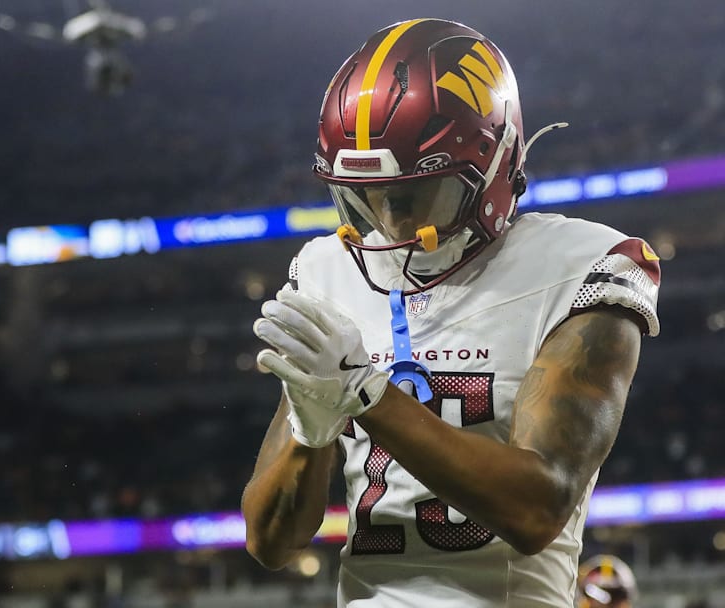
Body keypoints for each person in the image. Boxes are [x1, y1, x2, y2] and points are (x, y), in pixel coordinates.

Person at [240, 18, 661, 607]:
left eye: (416, 194)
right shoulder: (328, 272)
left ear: (494, 167)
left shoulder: (583, 268)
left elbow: (538, 507)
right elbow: (271, 542)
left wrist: (367, 394)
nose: (390, 223)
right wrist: (311, 432)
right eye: (367, 199)